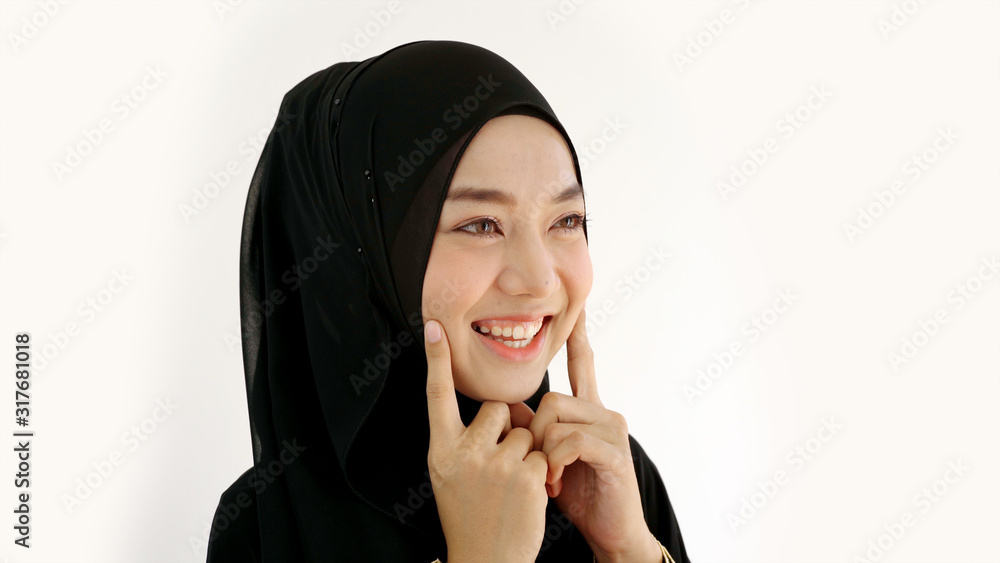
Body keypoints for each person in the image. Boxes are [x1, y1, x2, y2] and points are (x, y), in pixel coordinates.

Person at [206, 39, 690, 562]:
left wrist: (627, 550)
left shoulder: (608, 478)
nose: (538, 279)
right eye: (481, 225)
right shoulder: (267, 523)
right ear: (364, 258)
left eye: (567, 220)